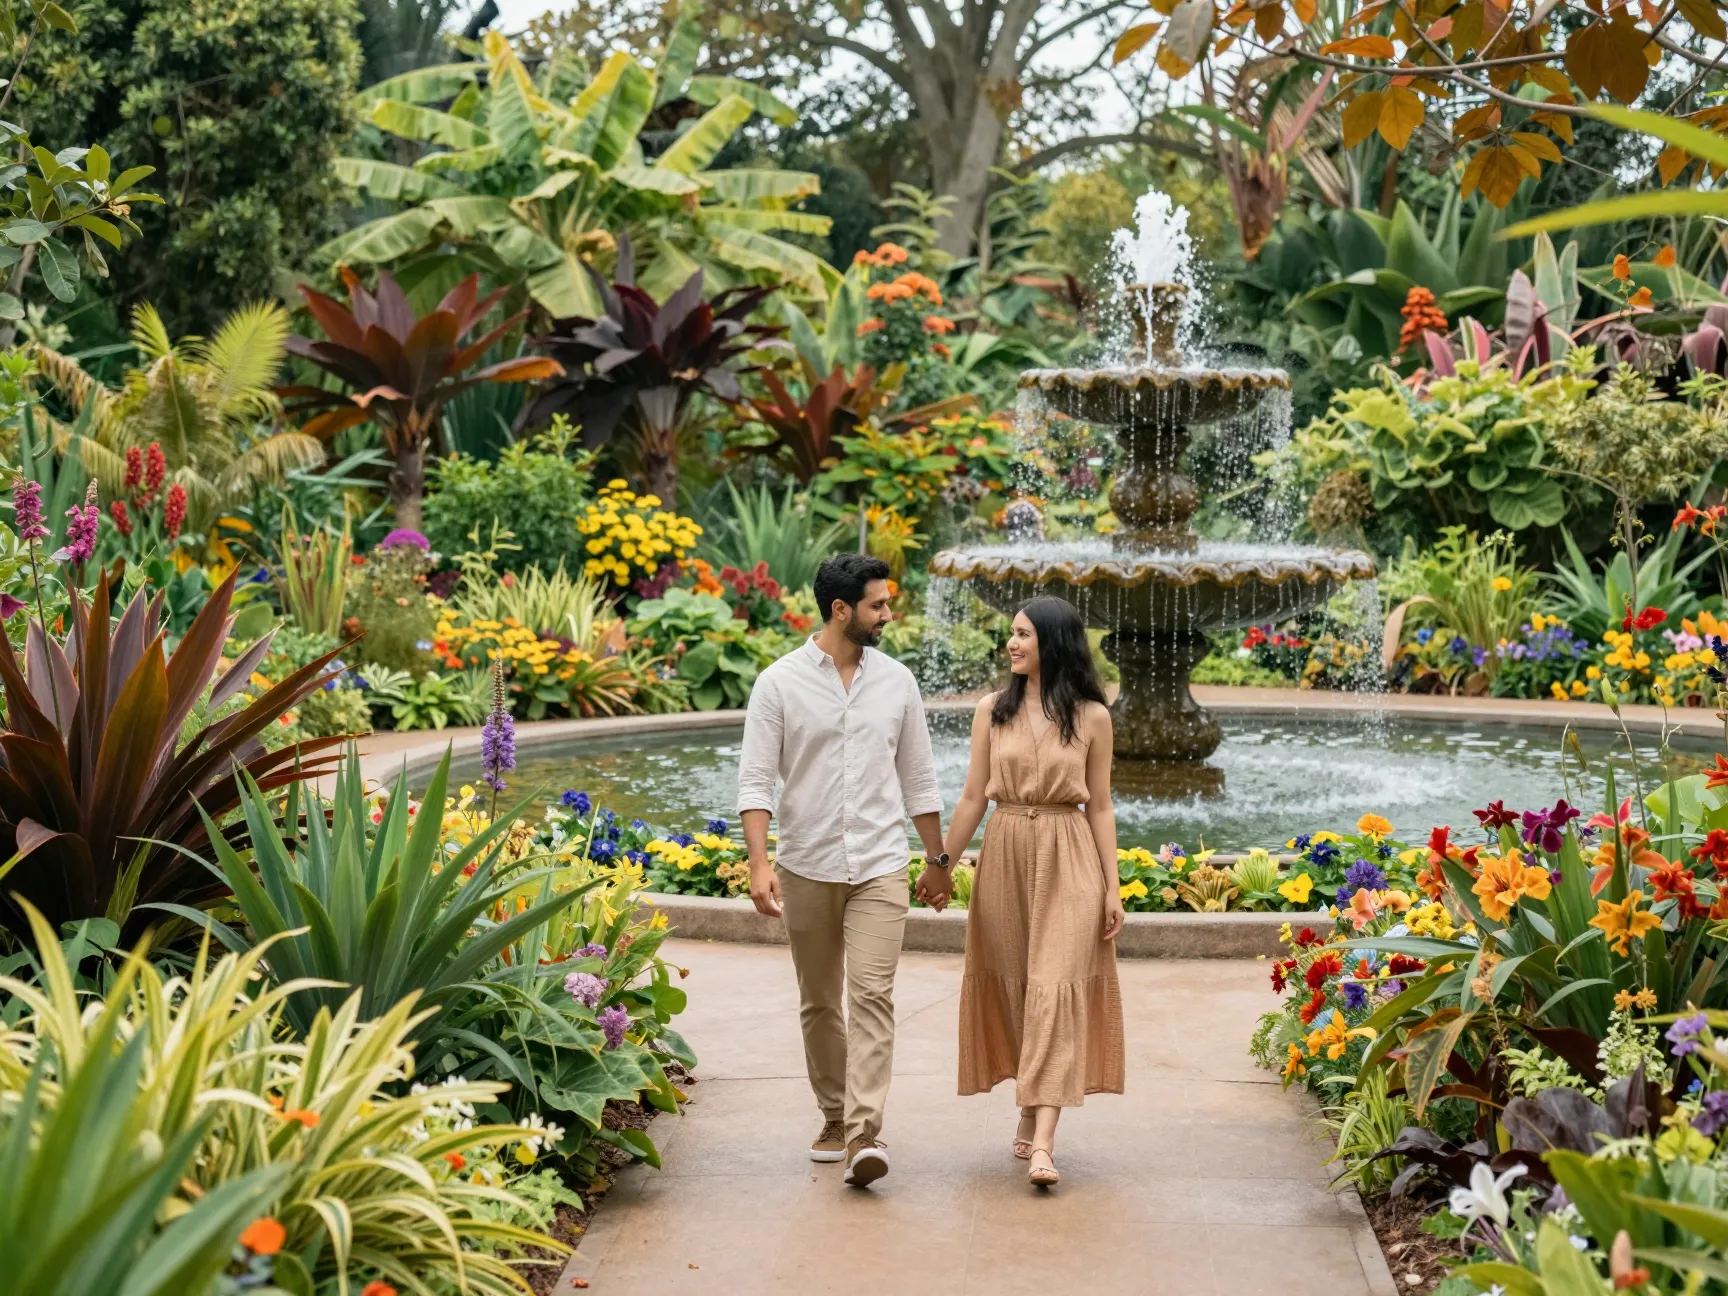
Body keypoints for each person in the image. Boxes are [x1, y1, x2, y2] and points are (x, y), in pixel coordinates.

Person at [736, 552, 948, 1189]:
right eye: (878, 605)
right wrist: (757, 863)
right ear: (841, 610)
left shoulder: (898, 683)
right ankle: (833, 1114)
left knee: (873, 996)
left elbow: (919, 777)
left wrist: (937, 862)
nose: (889, 614)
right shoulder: (778, 684)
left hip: (881, 865)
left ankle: (863, 1133)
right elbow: (755, 782)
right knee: (820, 1002)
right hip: (807, 864)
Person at [920, 595, 1125, 1188]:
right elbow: (971, 796)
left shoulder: (1092, 716)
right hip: (1005, 849)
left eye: (1024, 635)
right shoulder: (993, 710)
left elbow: (1103, 806)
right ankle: (1031, 1101)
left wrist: (1113, 888)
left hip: (1069, 854)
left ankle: (1043, 1141)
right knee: (1016, 986)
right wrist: (941, 865)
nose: (1012, 644)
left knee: (1055, 984)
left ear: (1054, 643)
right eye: (1011, 634)